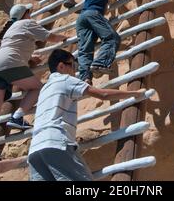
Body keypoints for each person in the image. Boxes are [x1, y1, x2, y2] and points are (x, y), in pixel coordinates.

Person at [28, 49, 146, 181]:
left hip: (35, 150)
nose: (75, 71)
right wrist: (134, 93)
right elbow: (103, 94)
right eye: (73, 65)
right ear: (61, 66)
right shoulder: (65, 79)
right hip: (55, 141)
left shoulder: (44, 89)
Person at [0, 3, 67, 160]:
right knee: (39, 88)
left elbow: (15, 46)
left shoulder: (10, 29)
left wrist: (29, 58)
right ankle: (17, 116)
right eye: (30, 12)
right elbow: (51, 37)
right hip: (9, 62)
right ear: (26, 14)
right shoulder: (27, 23)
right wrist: (66, 38)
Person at [76, 0, 126, 84]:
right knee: (112, 38)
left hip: (81, 18)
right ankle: (100, 63)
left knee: (85, 50)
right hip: (93, 14)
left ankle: (85, 77)